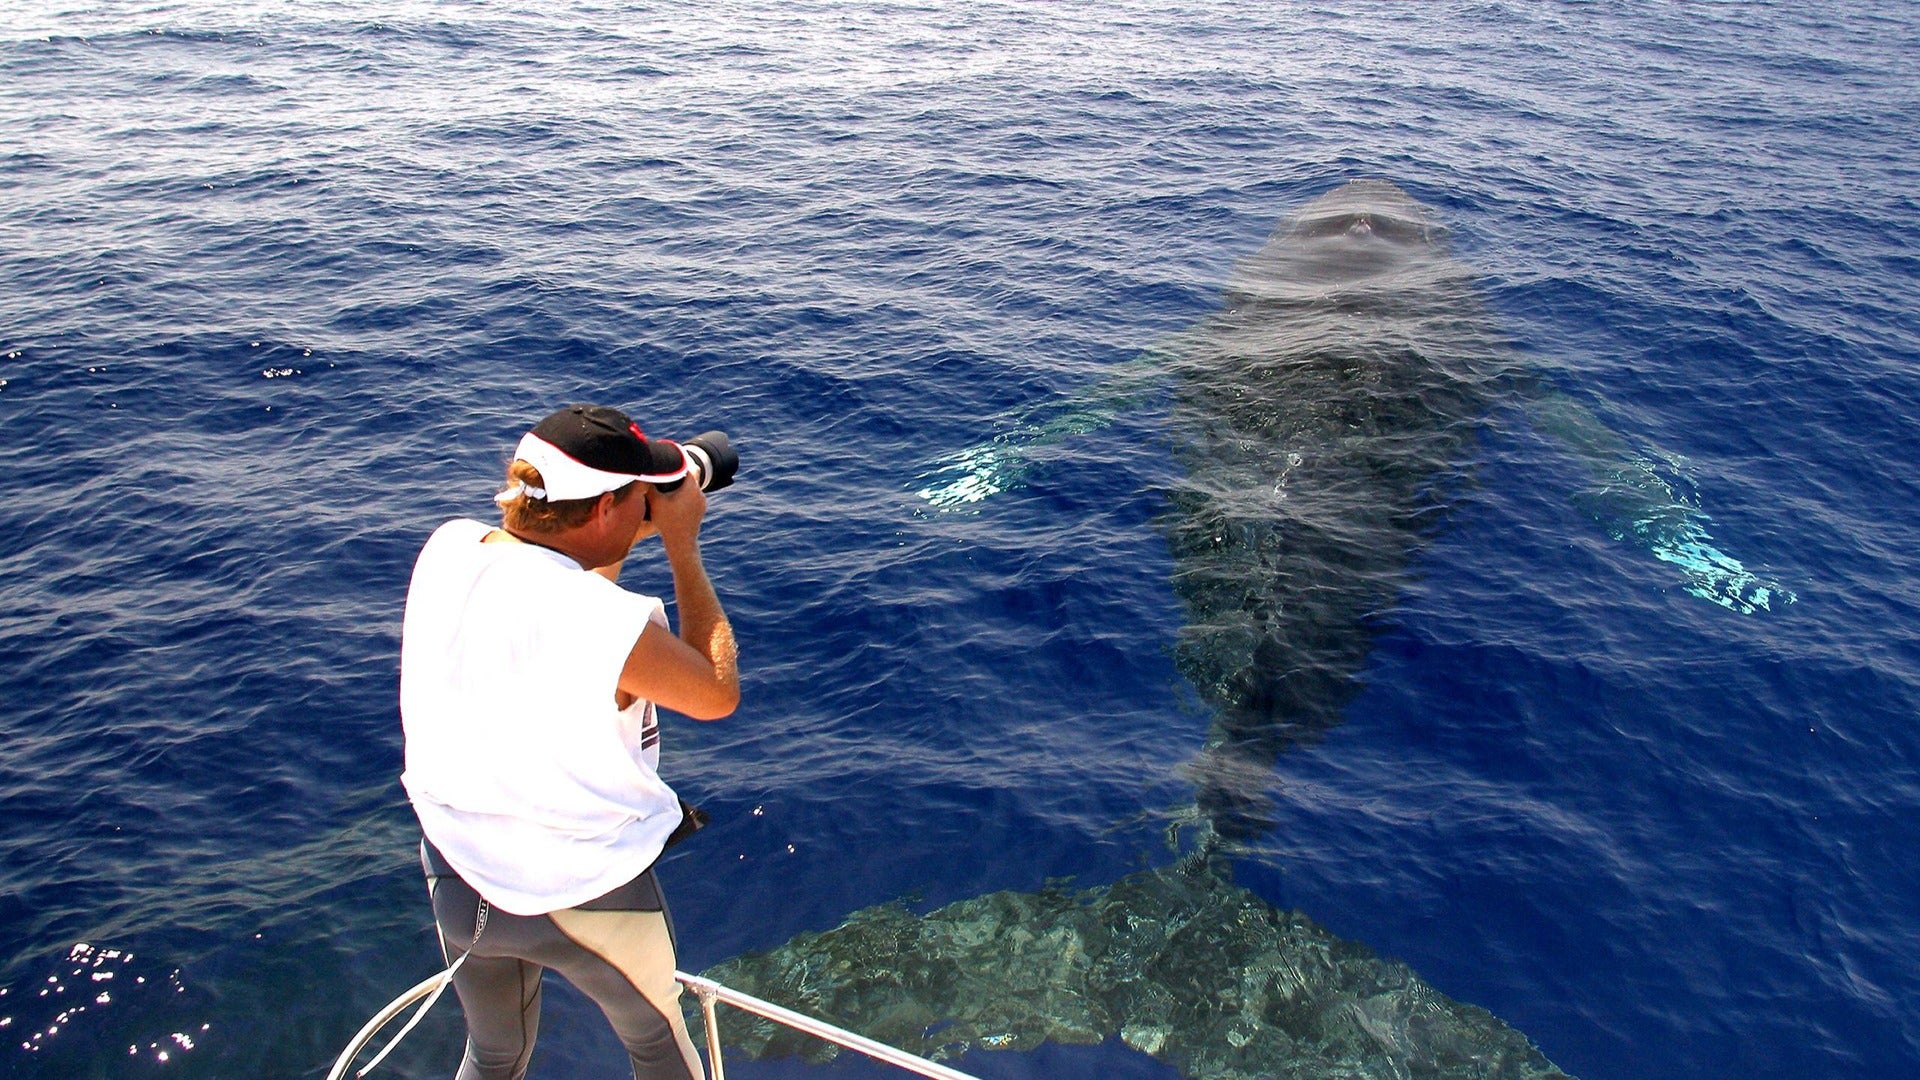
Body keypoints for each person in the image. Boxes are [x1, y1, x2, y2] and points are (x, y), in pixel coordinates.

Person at [398, 403, 739, 1080]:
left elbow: (554, 600)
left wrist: (612, 532)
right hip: (586, 898)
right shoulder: (600, 621)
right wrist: (680, 543)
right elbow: (716, 693)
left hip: (458, 877)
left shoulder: (448, 546)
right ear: (609, 508)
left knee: (493, 1054)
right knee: (657, 1047)